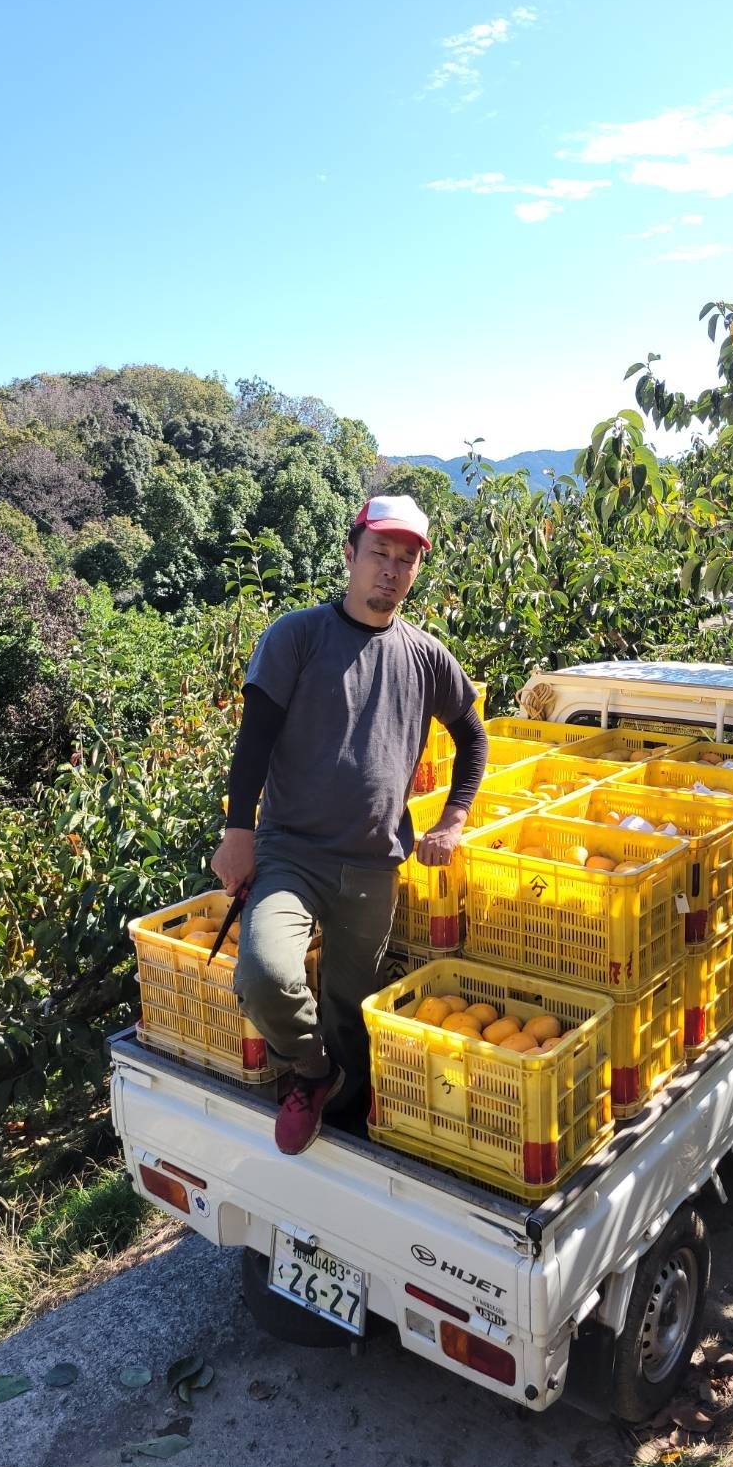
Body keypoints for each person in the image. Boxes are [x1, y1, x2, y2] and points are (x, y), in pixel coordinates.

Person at [210, 494, 488, 1155]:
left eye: (405, 559)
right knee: (266, 974)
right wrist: (237, 829)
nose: (389, 571)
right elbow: (255, 739)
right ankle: (313, 1072)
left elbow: (474, 740)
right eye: (378, 554)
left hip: (372, 864)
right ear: (349, 555)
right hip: (291, 854)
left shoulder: (427, 656)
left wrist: (453, 819)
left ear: (417, 569)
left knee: (352, 1010)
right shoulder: (297, 636)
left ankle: (346, 1121)